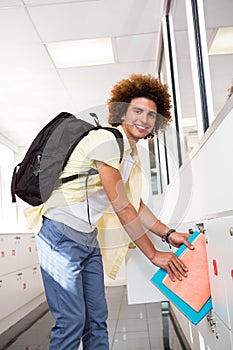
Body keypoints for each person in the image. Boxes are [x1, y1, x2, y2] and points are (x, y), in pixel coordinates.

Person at [31, 73, 194, 350]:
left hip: (87, 240)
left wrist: (168, 233)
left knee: (96, 320)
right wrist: (153, 254)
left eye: (152, 115)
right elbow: (122, 206)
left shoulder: (130, 154)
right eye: (137, 111)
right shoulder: (105, 141)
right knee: (70, 321)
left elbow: (135, 204)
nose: (144, 119)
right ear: (122, 112)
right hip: (59, 238)